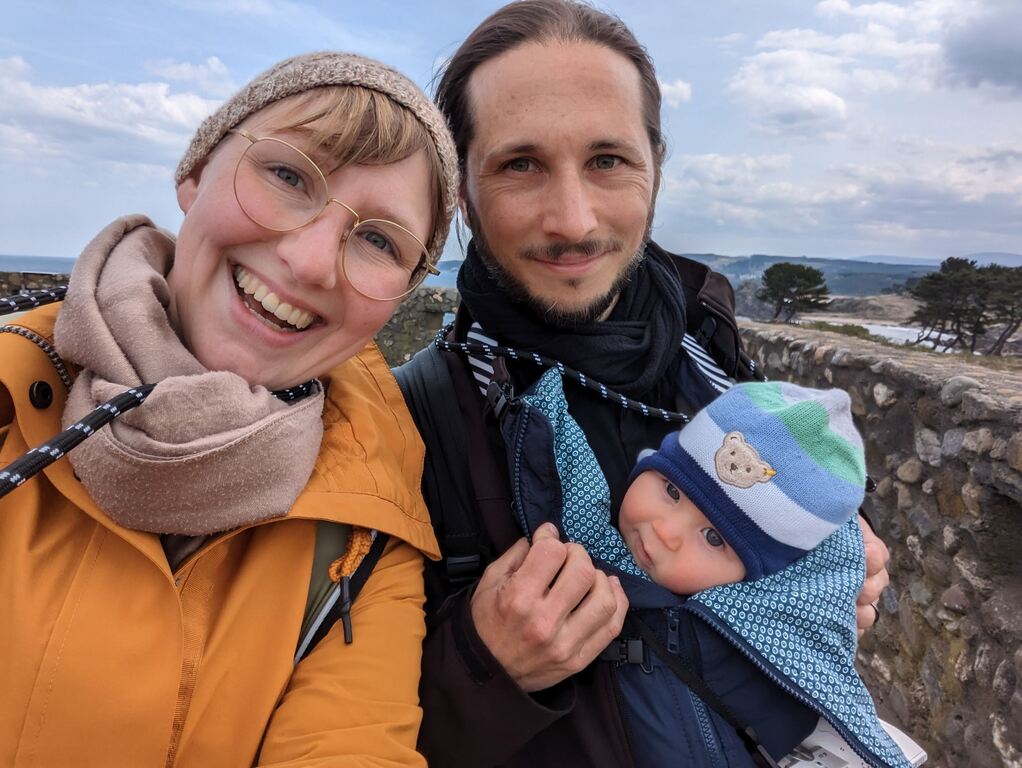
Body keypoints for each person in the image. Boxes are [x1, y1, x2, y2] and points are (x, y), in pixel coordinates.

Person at [397, 1, 891, 766]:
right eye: (520, 164)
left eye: (607, 160)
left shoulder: (714, 358)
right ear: (463, 189)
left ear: (655, 164)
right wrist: (482, 669)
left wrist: (833, 550)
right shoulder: (411, 423)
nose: (573, 219)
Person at [0, 52, 457, 766]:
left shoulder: (365, 533)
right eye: (288, 175)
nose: (309, 263)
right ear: (195, 171)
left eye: (376, 239)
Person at [506, 372, 913, 766]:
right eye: (671, 490)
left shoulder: (767, 644)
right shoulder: (588, 543)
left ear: (755, 579)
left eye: (713, 538)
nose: (666, 532)